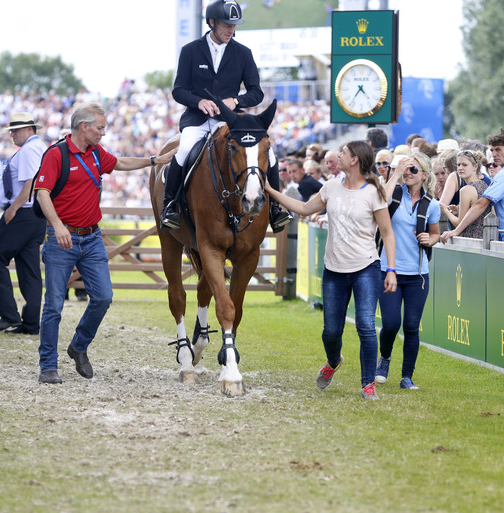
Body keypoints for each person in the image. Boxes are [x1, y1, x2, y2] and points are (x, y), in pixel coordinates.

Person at [33, 103, 176, 384]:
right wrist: (58, 226)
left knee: (103, 297)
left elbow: (120, 163)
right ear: (84, 127)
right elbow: (41, 193)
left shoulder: (96, 152)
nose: (103, 133)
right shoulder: (56, 154)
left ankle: (79, 346)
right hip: (61, 238)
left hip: (92, 237)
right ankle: (48, 366)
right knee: (53, 306)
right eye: (100, 128)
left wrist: (153, 161)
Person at [265, 141, 397, 400]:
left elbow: (387, 233)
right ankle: (333, 361)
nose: (338, 155)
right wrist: (271, 190)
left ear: (355, 160)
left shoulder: (374, 192)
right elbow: (304, 209)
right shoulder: (330, 187)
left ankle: (367, 383)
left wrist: (390, 269)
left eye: (343, 153)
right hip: (334, 270)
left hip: (366, 267)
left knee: (366, 326)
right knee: (331, 331)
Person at [160, 0, 291, 233]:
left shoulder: (243, 53)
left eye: (234, 25)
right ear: (211, 22)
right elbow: (179, 90)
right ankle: (170, 204)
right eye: (226, 24)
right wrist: (199, 101)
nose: (231, 29)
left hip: (232, 121)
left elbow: (256, 92)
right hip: (198, 119)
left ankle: (275, 208)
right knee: (184, 148)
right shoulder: (190, 50)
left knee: (268, 153)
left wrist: (237, 101)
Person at [375, 153, 441, 390]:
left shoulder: (431, 205)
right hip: (388, 269)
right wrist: (397, 171)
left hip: (418, 275)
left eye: (414, 169)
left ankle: (407, 377)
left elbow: (435, 234)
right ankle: (384, 359)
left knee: (412, 327)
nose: (409, 173)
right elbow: (378, 198)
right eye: (406, 169)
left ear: (425, 174)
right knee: (391, 324)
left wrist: (430, 239)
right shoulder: (392, 194)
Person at [0, 112, 48, 334]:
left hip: (22, 212)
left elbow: (31, 182)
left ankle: (9, 315)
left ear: (29, 129)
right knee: (29, 268)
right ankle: (30, 323)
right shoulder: (40, 147)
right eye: (11, 130)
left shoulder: (30, 150)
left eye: (16, 130)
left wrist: (13, 208)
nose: (12, 134)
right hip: (36, 214)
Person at [441, 130, 504, 243]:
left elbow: (481, 204)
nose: (494, 154)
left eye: (498, 150)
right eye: (492, 150)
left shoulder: (503, 175)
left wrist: (456, 231)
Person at [440, 149, 490, 239]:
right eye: (458, 164)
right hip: (485, 238)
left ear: (475, 167)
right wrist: (458, 209)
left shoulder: (466, 190)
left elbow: (459, 223)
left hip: (470, 240)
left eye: (465, 165)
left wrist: (446, 211)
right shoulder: (485, 185)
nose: (460, 168)